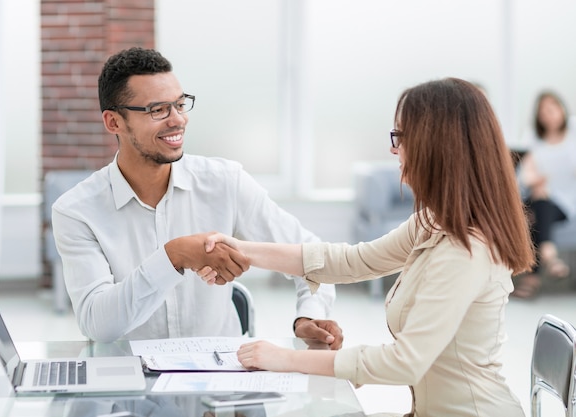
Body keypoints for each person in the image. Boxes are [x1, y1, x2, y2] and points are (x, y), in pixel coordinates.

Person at [197, 78, 535, 416]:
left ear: (436, 145)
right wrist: (241, 249)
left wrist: (287, 359)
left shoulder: (466, 250)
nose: (393, 149)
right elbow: (350, 261)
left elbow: (405, 362)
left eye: (401, 137)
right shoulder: (432, 222)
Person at [51, 47, 342, 347]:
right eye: (158, 110)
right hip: (129, 378)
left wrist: (308, 316)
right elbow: (99, 325)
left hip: (220, 379)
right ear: (114, 122)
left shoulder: (224, 182)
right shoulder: (76, 211)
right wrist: (173, 256)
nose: (177, 120)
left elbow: (312, 257)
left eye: (180, 104)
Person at [513, 91, 576, 298]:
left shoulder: (573, 133)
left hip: (566, 201)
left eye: (552, 109)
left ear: (561, 109)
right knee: (539, 201)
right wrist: (535, 181)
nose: (548, 115)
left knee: (536, 211)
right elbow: (524, 175)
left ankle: (532, 278)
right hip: (538, 198)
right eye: (543, 112)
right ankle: (549, 256)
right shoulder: (533, 137)